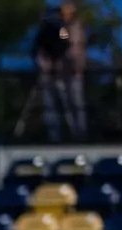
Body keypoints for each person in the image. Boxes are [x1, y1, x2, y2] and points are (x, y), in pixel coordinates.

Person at [33, 1, 88, 142]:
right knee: (52, 105)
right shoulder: (48, 30)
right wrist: (47, 64)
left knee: (74, 104)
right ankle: (55, 136)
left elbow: (70, 47)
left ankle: (78, 134)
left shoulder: (69, 29)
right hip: (53, 73)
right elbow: (40, 50)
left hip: (70, 72)